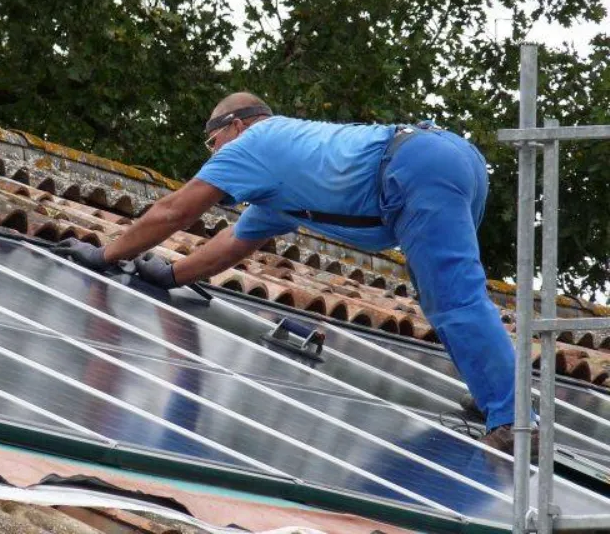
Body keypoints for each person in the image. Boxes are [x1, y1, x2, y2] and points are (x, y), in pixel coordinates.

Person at [52, 91, 538, 458]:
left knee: (455, 299)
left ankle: (516, 422)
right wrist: (172, 274)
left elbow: (174, 211)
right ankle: (495, 397)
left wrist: (107, 254)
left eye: (213, 140)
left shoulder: (256, 143)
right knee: (444, 298)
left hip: (416, 167)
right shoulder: (278, 188)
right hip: (442, 161)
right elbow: (233, 244)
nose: (213, 152)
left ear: (236, 126)